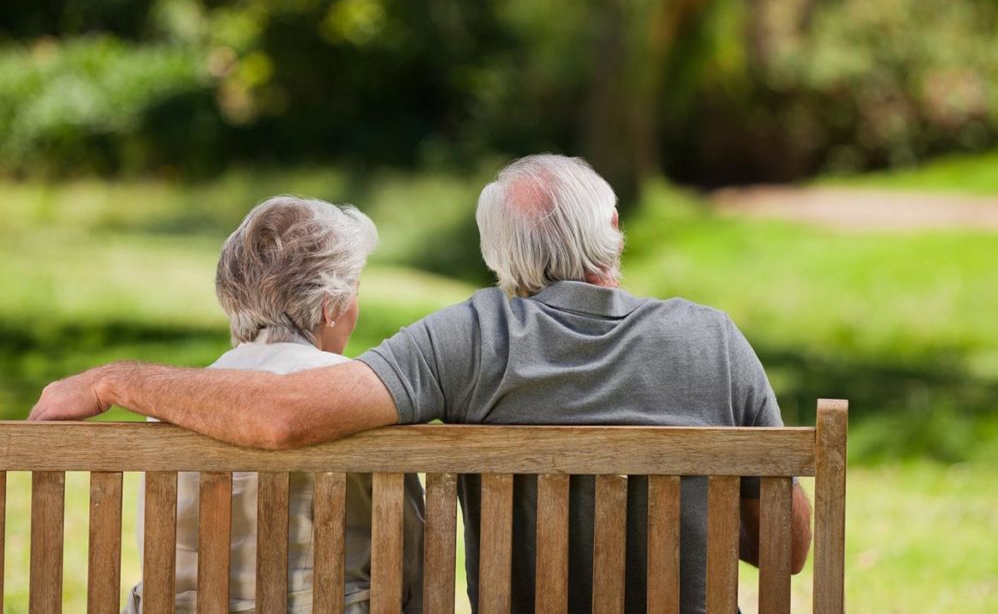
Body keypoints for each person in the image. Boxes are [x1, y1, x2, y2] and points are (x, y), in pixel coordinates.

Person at [33, 155, 811, 613]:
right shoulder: (716, 337)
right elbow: (788, 547)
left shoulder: (475, 336)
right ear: (612, 232)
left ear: (500, 257)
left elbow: (281, 415)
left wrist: (114, 377)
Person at [123, 196, 424, 613]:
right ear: (329, 306)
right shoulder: (360, 402)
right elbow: (408, 561)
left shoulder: (172, 403)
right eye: (355, 292)